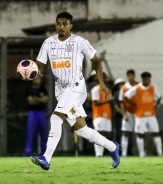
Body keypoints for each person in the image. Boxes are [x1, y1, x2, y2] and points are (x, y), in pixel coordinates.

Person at [30, 11, 120, 170]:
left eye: (65, 23)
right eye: (58, 23)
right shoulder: (48, 43)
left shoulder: (79, 42)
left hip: (76, 88)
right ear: (55, 25)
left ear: (71, 26)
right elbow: (40, 66)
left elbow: (96, 61)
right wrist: (31, 72)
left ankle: (46, 158)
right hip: (62, 92)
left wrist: (102, 83)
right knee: (82, 130)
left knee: (56, 118)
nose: (61, 26)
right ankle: (113, 147)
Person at [124, 71, 162, 157]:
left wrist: (155, 105)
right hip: (140, 116)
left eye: (149, 79)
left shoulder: (153, 87)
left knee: (156, 133)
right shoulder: (137, 88)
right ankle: (142, 154)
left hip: (151, 115)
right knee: (140, 134)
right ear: (143, 79)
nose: (147, 81)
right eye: (146, 79)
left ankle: (160, 153)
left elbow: (159, 97)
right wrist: (134, 104)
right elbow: (125, 97)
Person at [91, 73, 114, 157]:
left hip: (107, 115)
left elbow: (110, 102)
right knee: (99, 133)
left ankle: (102, 152)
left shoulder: (108, 90)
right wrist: (108, 101)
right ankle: (98, 153)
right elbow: (96, 102)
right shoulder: (95, 89)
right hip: (98, 115)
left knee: (105, 134)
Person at [25, 77, 49, 156]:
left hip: (41, 113)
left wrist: (36, 99)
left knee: (43, 133)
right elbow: (31, 101)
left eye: (39, 79)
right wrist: (41, 100)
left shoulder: (43, 89)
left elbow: (46, 99)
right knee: (30, 133)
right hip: (33, 113)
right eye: (36, 79)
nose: (38, 80)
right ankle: (28, 151)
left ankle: (44, 151)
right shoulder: (29, 89)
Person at [118, 69, 138, 156]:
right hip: (128, 112)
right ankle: (124, 153)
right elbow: (121, 102)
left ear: (134, 76)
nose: (131, 77)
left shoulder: (139, 86)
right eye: (129, 75)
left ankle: (140, 153)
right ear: (127, 76)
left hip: (138, 112)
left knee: (139, 133)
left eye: (132, 75)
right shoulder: (124, 88)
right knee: (125, 132)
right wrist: (124, 114)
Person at [112, 78, 126, 144]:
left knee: (126, 133)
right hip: (119, 116)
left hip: (127, 115)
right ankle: (119, 149)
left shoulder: (126, 92)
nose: (122, 85)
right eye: (121, 84)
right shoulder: (116, 94)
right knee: (119, 132)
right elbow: (116, 106)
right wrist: (123, 114)